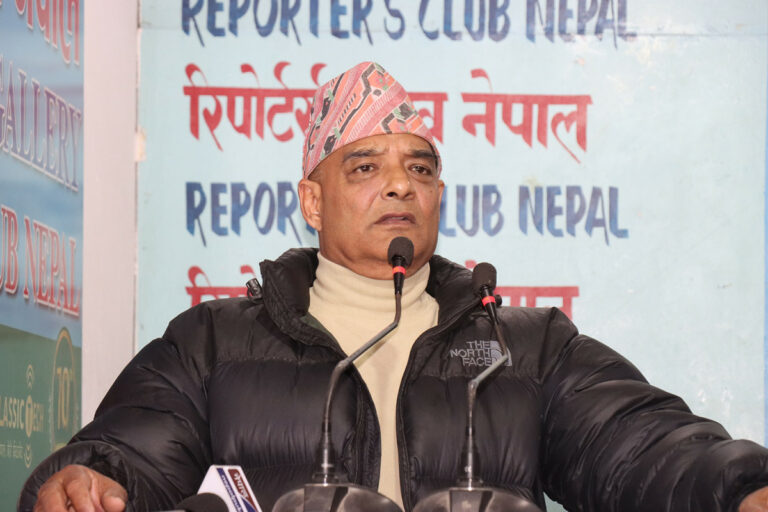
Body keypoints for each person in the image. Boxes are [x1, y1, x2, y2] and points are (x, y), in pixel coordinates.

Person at [20, 62, 768, 512]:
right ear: (313, 201)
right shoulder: (213, 343)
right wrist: (88, 480)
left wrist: (737, 486)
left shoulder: (523, 347)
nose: (401, 186)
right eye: (365, 167)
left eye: (420, 168)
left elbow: (639, 444)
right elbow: (130, 450)